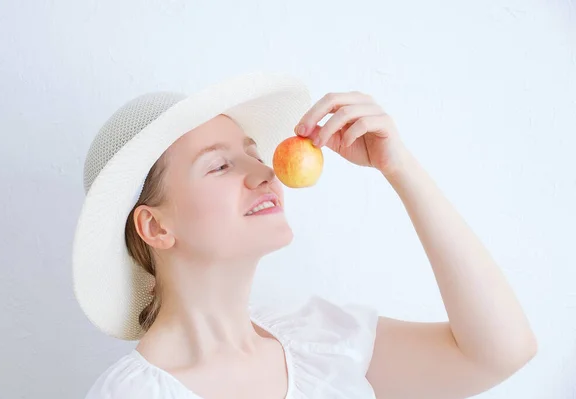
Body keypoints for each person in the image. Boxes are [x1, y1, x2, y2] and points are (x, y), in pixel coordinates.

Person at [74, 72, 537, 399]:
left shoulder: (320, 342)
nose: (265, 172)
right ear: (156, 227)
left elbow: (500, 353)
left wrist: (399, 168)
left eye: (254, 154)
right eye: (219, 165)